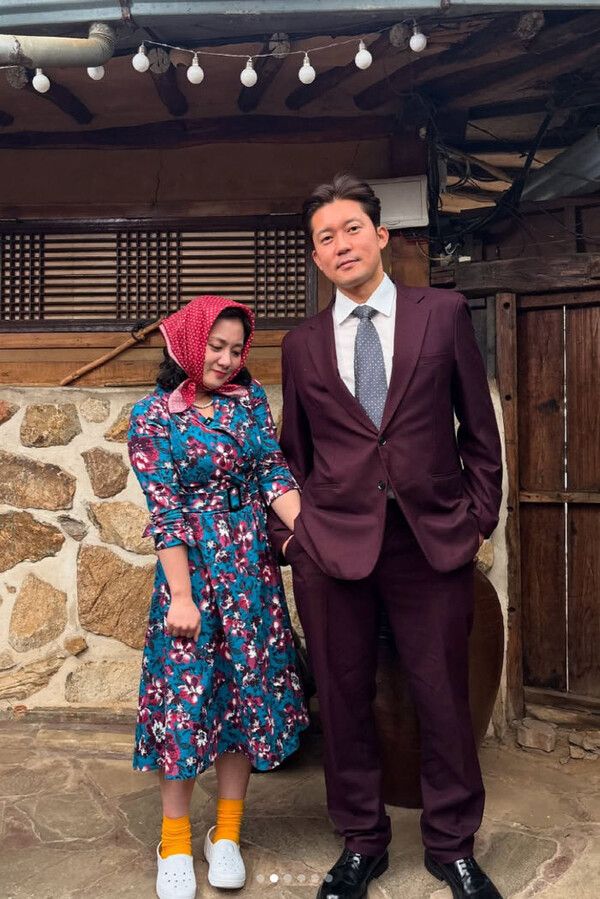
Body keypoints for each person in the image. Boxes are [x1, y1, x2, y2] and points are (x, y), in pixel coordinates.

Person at [268, 174, 504, 899]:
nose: (340, 245)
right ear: (316, 256)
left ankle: (452, 845)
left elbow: (478, 428)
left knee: (443, 697)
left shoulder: (443, 314)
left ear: (380, 236)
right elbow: (293, 450)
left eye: (351, 229)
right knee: (343, 702)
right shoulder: (302, 344)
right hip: (332, 546)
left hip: (429, 541)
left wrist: (476, 518)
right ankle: (362, 842)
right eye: (325, 237)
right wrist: (298, 537)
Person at [127, 294, 308, 899]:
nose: (226, 360)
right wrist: (181, 597)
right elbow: (167, 512)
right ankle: (175, 840)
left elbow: (272, 473)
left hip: (251, 572)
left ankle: (225, 834)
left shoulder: (249, 401)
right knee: (184, 700)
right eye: (215, 346)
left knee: (243, 699)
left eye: (235, 349)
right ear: (187, 342)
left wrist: (313, 537)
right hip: (194, 575)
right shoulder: (152, 417)